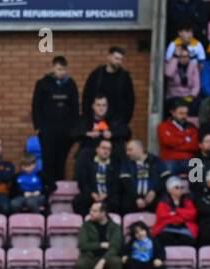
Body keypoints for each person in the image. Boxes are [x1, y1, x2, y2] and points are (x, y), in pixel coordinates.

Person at [32, 56, 80, 192]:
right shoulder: (42, 84)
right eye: (59, 69)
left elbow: (75, 108)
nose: (62, 72)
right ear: (53, 68)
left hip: (65, 131)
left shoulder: (71, 84)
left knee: (61, 161)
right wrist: (38, 128)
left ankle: (59, 191)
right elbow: (36, 107)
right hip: (47, 130)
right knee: (48, 161)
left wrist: (74, 130)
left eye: (64, 69)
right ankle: (47, 191)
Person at [82, 46, 135, 131]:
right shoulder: (97, 74)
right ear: (109, 57)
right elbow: (87, 96)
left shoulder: (124, 77)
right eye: (116, 58)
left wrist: (124, 121)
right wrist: (88, 118)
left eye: (121, 59)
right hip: (97, 120)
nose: (119, 62)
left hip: (117, 121)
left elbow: (130, 100)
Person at [117, 139, 167, 215]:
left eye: (130, 150)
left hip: (154, 196)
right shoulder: (126, 164)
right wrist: (136, 198)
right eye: (127, 150)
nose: (127, 153)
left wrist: (154, 191)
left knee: (162, 203)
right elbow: (126, 183)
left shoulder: (156, 161)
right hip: (133, 198)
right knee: (123, 203)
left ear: (140, 149)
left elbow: (165, 178)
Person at [76, 200, 122, 269]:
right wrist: (100, 245)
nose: (90, 213)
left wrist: (102, 261)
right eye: (90, 210)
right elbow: (83, 245)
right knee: (80, 265)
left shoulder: (115, 227)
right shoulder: (86, 226)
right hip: (90, 257)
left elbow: (115, 247)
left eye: (94, 211)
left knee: (116, 262)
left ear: (103, 213)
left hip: (108, 257)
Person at [151, 176, 198, 247]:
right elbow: (162, 216)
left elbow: (192, 214)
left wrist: (176, 211)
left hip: (184, 229)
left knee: (188, 241)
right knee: (164, 239)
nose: (179, 189)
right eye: (176, 187)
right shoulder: (163, 201)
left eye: (181, 187)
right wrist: (182, 217)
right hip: (167, 229)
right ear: (169, 190)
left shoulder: (187, 200)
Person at [74, 138, 116, 217]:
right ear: (97, 149)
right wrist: (92, 193)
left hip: (107, 196)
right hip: (92, 195)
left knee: (118, 203)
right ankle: (88, 220)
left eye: (109, 149)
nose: (106, 151)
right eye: (103, 148)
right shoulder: (88, 164)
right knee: (77, 202)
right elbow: (82, 182)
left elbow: (116, 185)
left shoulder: (114, 166)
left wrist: (106, 194)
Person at [157, 100, 200, 175]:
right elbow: (167, 142)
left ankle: (198, 187)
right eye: (181, 113)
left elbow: (195, 146)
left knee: (198, 170)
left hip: (188, 159)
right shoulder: (163, 126)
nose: (184, 116)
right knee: (168, 176)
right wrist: (185, 139)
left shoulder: (192, 127)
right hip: (170, 159)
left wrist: (176, 141)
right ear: (173, 113)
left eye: (186, 113)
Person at [165, 46, 202, 113]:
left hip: (189, 96)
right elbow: (168, 74)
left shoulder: (193, 65)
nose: (185, 58)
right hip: (174, 96)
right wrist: (175, 57)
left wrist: (192, 96)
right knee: (177, 105)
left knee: (196, 104)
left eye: (187, 56)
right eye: (182, 56)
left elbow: (196, 85)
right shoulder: (172, 63)